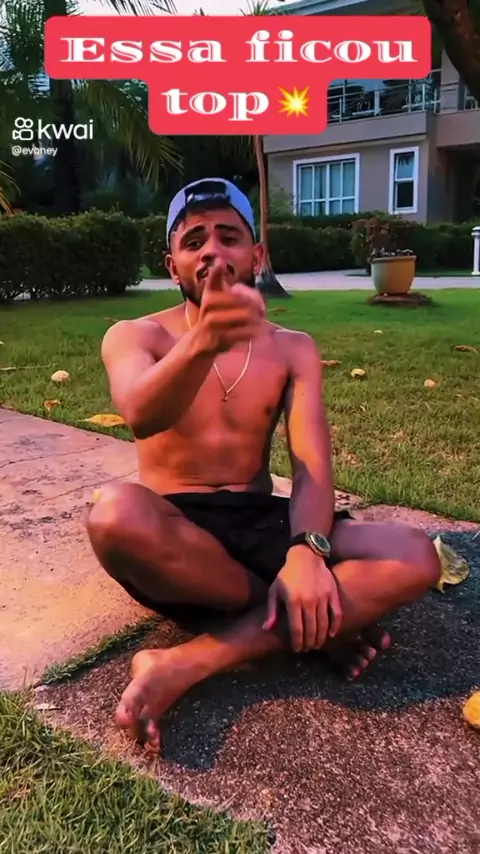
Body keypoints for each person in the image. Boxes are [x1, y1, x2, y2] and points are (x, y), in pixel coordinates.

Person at [87, 177, 440, 752]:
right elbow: (141, 414)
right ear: (172, 266)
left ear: (256, 255)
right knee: (113, 515)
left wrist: (306, 553)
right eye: (193, 241)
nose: (212, 251)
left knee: (415, 554)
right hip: (178, 534)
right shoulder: (134, 335)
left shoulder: (292, 347)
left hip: (260, 520)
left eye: (228, 237)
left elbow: (312, 467)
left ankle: (188, 661)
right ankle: (316, 627)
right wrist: (204, 339)